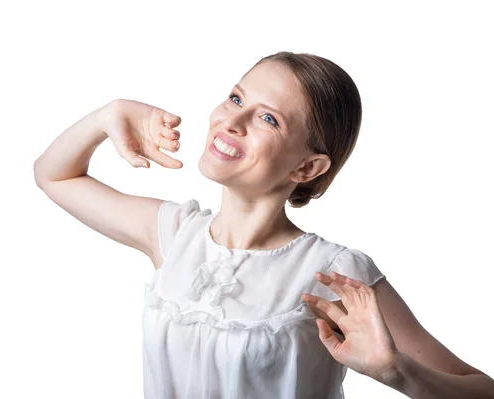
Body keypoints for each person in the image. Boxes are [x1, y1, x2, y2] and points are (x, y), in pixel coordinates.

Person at [34, 52, 493, 398]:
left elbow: (481, 390)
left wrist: (395, 371)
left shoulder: (333, 272)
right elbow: (54, 174)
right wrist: (106, 115)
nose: (230, 121)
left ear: (307, 168)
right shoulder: (173, 234)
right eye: (236, 98)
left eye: (267, 119)